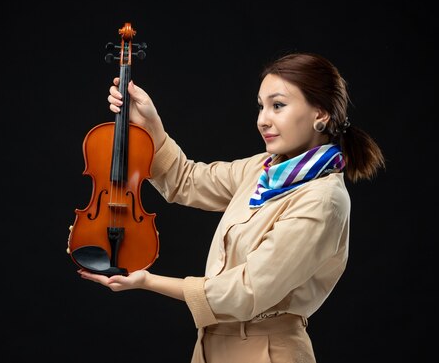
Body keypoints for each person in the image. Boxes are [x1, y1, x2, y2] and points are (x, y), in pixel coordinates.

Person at [77, 52, 385, 363]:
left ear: (320, 114)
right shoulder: (262, 170)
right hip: (210, 348)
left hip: (267, 352)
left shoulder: (323, 200)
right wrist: (152, 125)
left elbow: (246, 291)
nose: (263, 119)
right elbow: (187, 180)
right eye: (261, 106)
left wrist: (147, 281)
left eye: (278, 105)